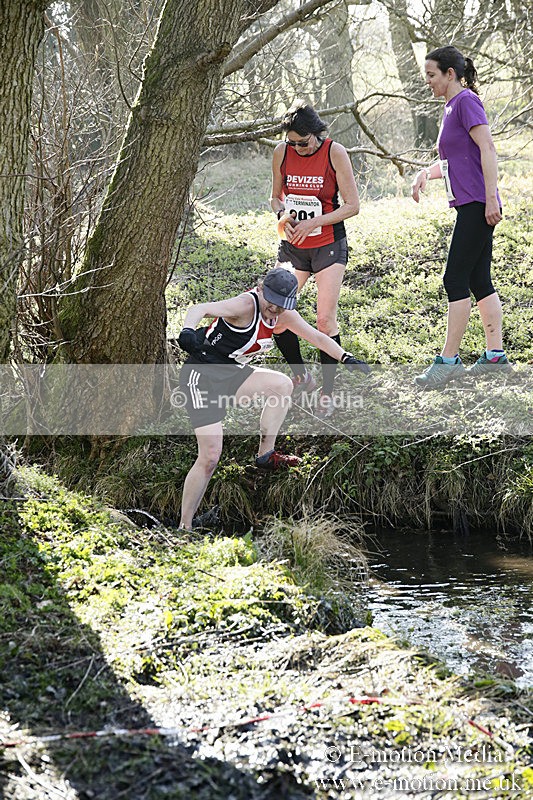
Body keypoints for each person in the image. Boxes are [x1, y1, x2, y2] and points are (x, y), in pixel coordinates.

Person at [176, 267, 365, 530]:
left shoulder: (283, 315)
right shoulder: (245, 305)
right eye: (272, 304)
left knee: (281, 384)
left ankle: (265, 454)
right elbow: (200, 308)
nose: (275, 311)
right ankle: (185, 527)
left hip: (232, 374)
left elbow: (318, 337)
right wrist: (187, 331)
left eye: (282, 306)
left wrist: (346, 357)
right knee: (210, 456)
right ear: (262, 290)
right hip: (202, 376)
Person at [411, 45, 510, 389]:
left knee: (454, 279)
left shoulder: (466, 101)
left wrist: (490, 199)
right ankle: (495, 357)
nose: (428, 81)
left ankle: (449, 361)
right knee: (479, 279)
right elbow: (457, 158)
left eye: (431, 75)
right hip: (470, 203)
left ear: (450, 74)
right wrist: (426, 172)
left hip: (477, 205)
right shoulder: (451, 107)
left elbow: (487, 148)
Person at [270, 101, 367, 417]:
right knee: (276, 314)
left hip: (327, 244)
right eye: (293, 142)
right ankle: (302, 376)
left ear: (317, 134)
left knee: (324, 319)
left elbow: (352, 206)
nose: (298, 148)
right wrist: (283, 215)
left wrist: (315, 221)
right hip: (294, 246)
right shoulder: (281, 153)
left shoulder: (334, 152)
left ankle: (327, 392)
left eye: (304, 142)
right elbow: (275, 197)